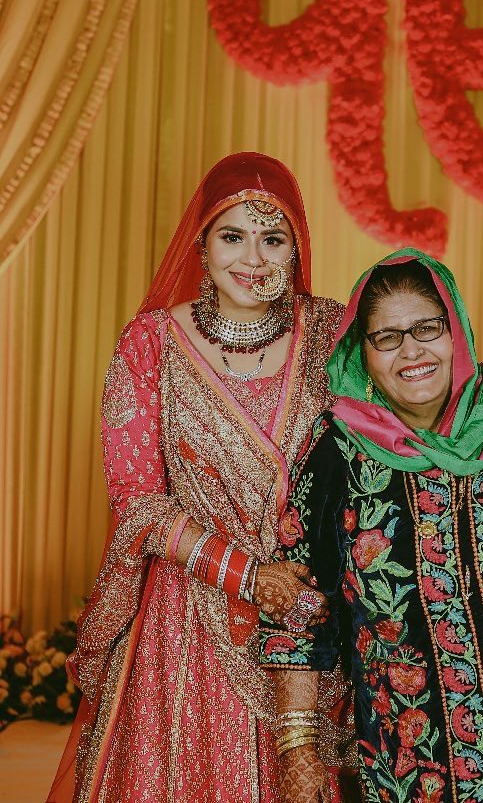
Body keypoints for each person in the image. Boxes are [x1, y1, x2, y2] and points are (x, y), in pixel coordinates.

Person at [48, 152, 355, 802]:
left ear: (297, 247)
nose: (254, 259)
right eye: (233, 236)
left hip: (303, 619)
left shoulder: (333, 333)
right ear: (202, 244)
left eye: (273, 239)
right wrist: (248, 576)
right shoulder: (151, 343)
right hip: (185, 621)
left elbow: (415, 401)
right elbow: (138, 503)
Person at [259, 249, 483, 803]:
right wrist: (297, 743)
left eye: (427, 328)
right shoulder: (338, 455)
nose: (412, 351)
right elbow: (298, 601)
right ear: (361, 353)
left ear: (456, 333)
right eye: (387, 337)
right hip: (415, 770)